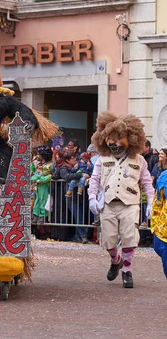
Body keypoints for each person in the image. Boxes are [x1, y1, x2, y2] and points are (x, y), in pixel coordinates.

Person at [88, 112, 154, 289]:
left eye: (118, 138)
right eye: (110, 138)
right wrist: (92, 198)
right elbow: (94, 180)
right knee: (109, 241)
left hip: (130, 204)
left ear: (131, 138)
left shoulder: (139, 160)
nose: (114, 143)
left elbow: (147, 182)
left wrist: (151, 202)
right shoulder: (102, 159)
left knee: (130, 238)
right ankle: (115, 260)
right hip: (108, 204)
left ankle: (127, 270)